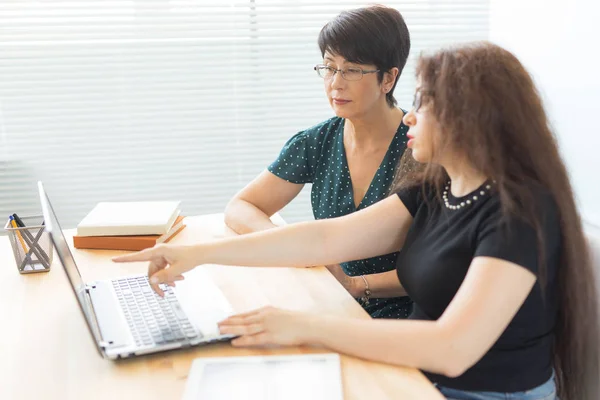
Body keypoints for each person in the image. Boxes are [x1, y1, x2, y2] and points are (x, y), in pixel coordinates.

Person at [114, 42, 600, 399]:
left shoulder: (523, 213)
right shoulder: (438, 186)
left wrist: (304, 326)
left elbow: (453, 347)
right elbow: (326, 238)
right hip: (418, 376)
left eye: (425, 103)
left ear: (470, 116)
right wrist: (193, 256)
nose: (410, 117)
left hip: (480, 391)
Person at [223, 5, 413, 319]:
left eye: (352, 69)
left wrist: (356, 284)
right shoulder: (317, 141)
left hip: (406, 312)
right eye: (328, 67)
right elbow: (241, 207)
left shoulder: (422, 147)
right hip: (333, 300)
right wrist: (295, 249)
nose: (335, 83)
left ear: (388, 78)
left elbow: (444, 264)